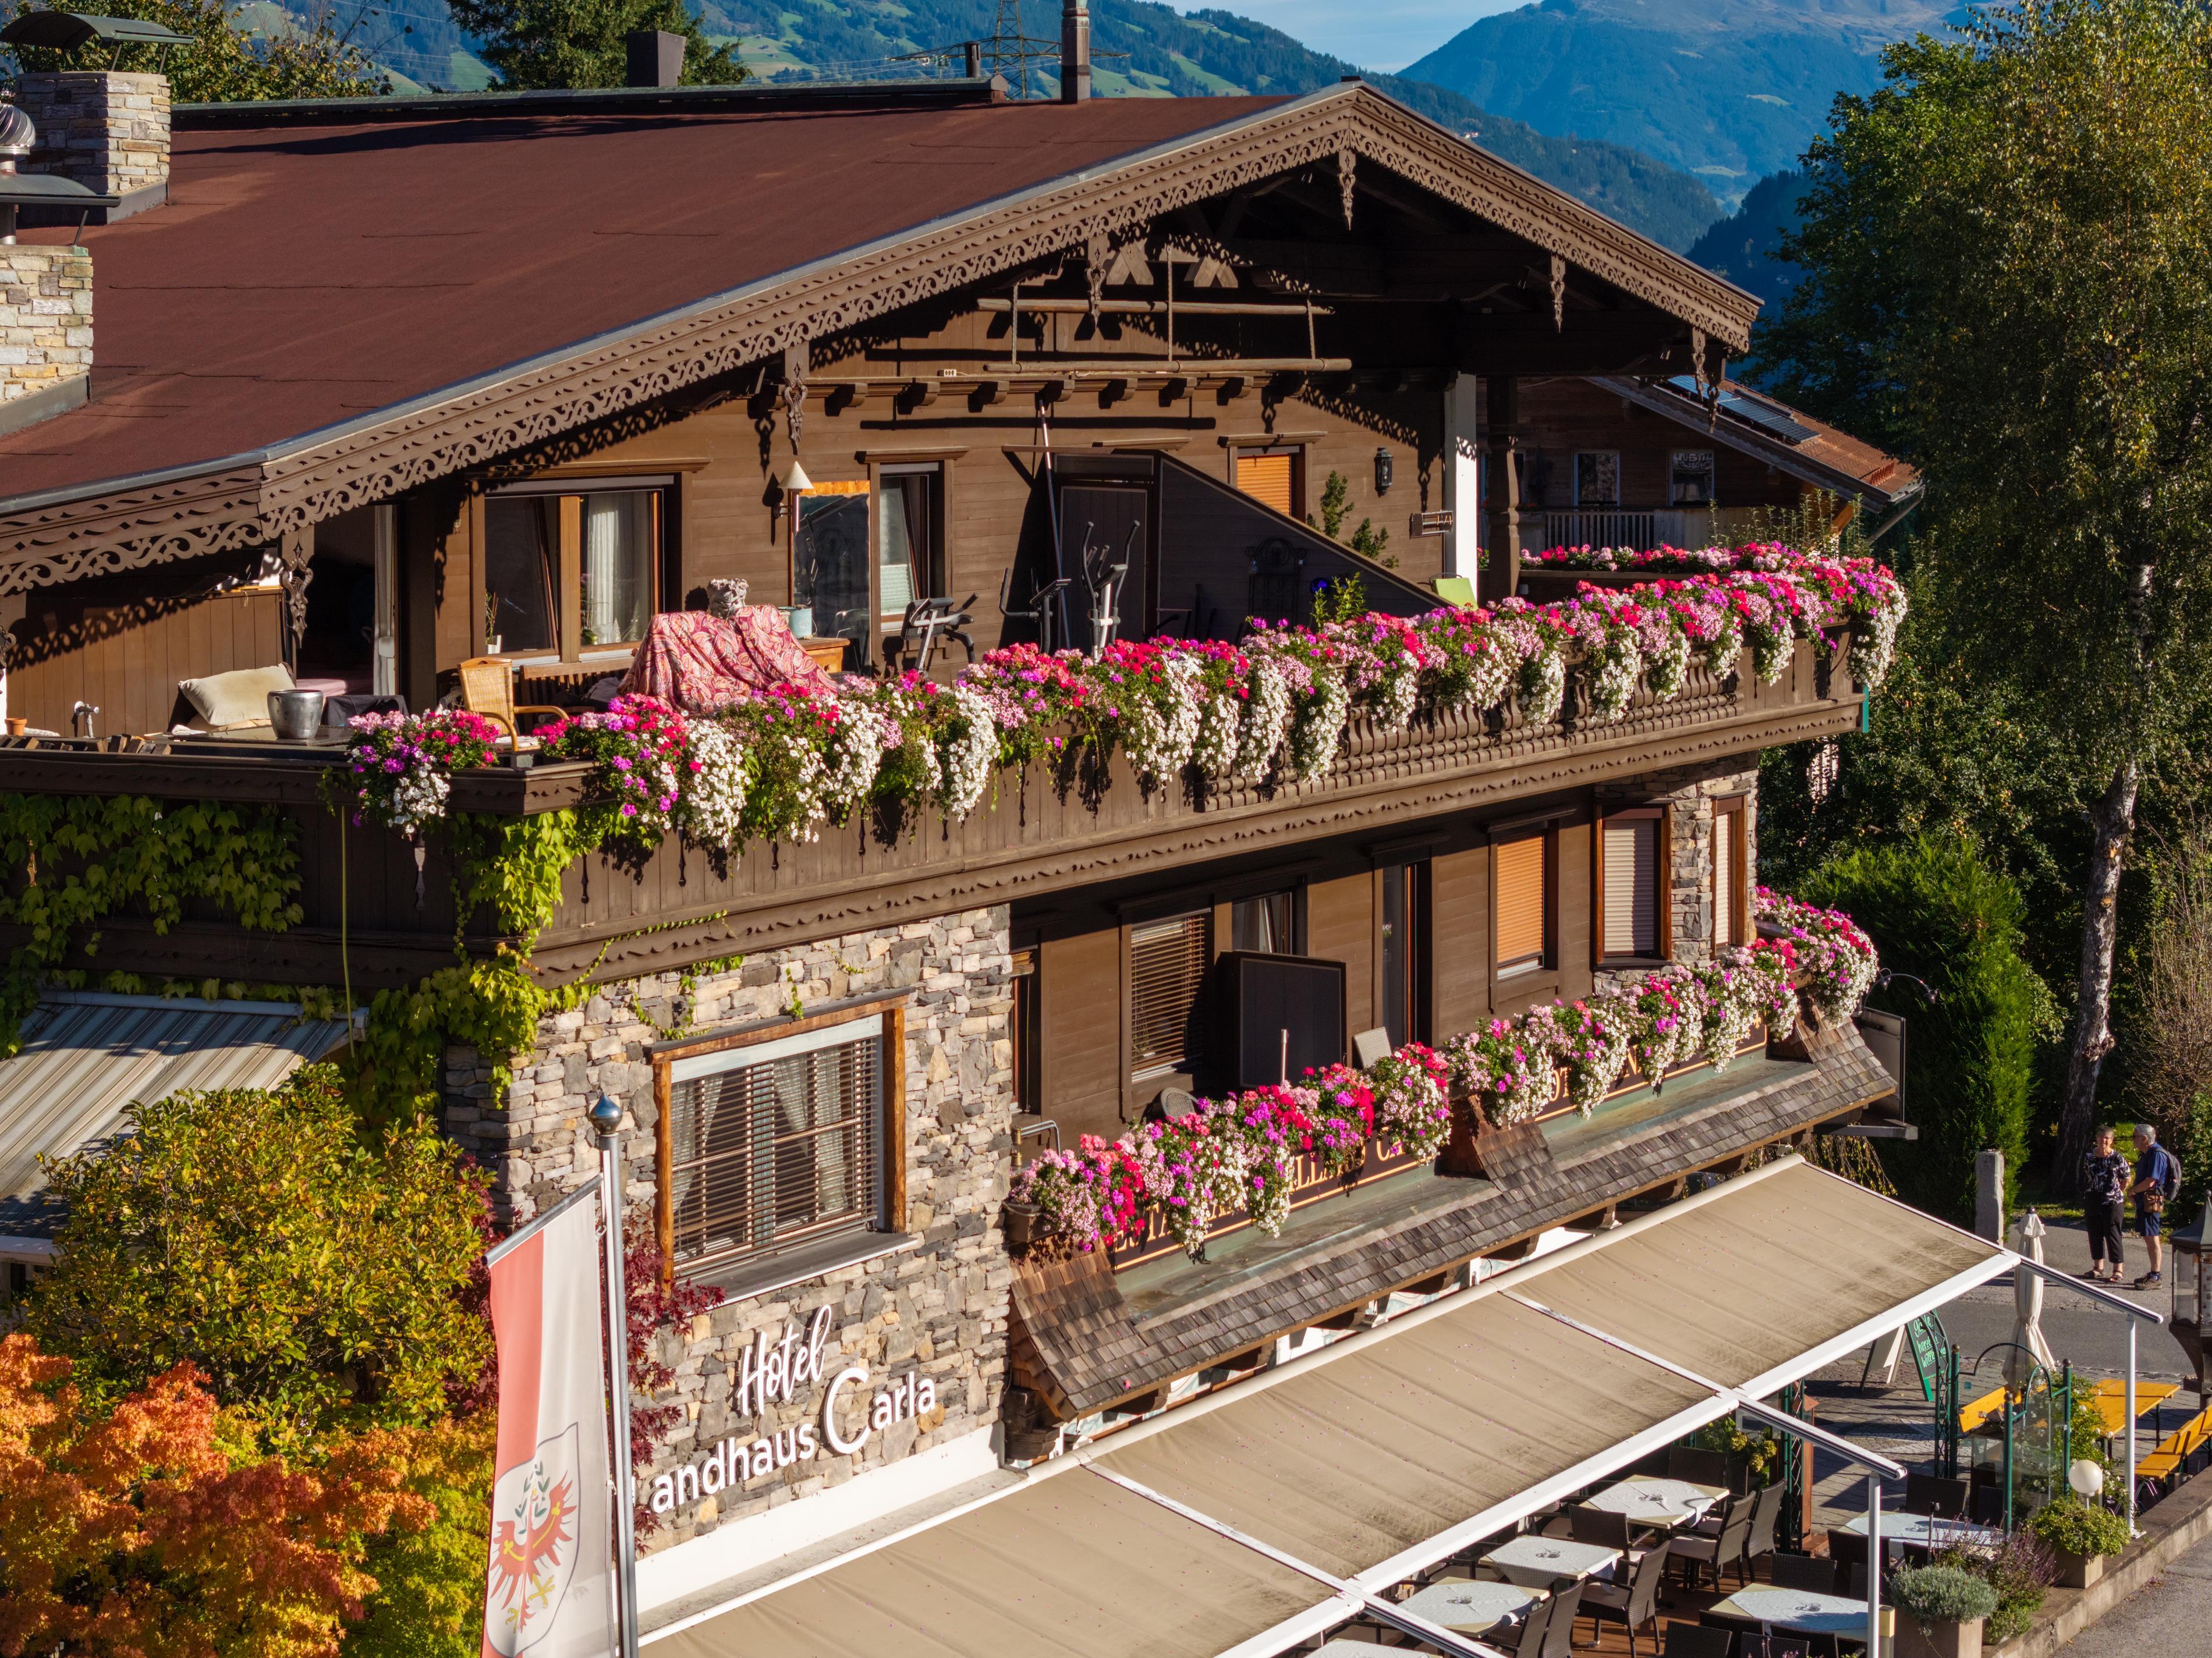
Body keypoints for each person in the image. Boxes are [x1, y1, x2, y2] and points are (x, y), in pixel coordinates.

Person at [2129, 1124, 2181, 1288]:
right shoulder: (2147, 1154)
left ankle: (2156, 1276)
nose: (2133, 1140)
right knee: (2149, 1237)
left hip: (2151, 1201)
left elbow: (2151, 1181)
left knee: (2153, 1238)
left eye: (2135, 1137)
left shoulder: (2156, 1154)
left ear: (2145, 1138)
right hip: (2145, 1201)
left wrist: (2132, 1190)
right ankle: (2153, 1273)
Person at [2081, 1126, 2131, 1283]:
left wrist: (2118, 1192)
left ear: (2112, 1140)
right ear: (2096, 1138)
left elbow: (2126, 1178)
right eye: (2101, 1137)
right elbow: (2088, 1175)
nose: (2104, 1140)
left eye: (2107, 1138)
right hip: (2093, 1197)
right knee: (2095, 1233)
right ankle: (2098, 1268)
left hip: (2112, 1200)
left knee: (2113, 1233)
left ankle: (2118, 1270)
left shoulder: (2117, 1157)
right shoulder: (2089, 1156)